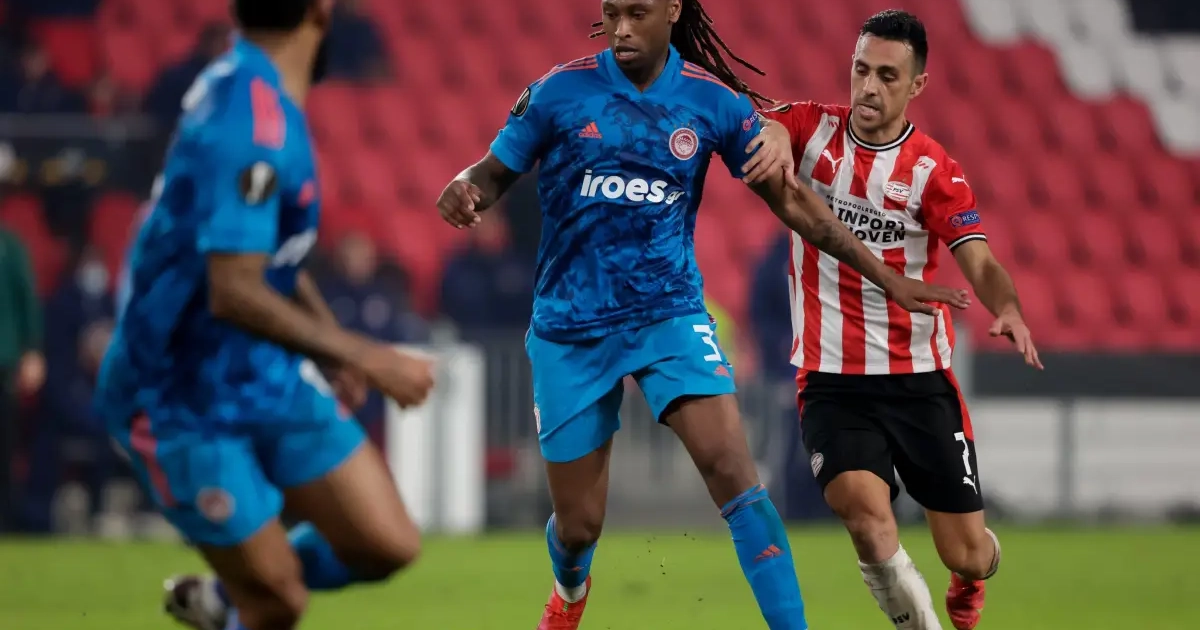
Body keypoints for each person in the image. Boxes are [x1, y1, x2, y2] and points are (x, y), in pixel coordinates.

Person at [435, 1, 969, 628]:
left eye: (637, 13)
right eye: (612, 13)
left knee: (734, 473)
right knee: (579, 528)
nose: (622, 28)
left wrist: (886, 276)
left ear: (672, 10)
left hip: (669, 314)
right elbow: (491, 172)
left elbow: (794, 203)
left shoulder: (710, 101)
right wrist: (464, 188)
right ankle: (569, 593)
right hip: (571, 324)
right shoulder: (559, 91)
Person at [93, 2, 435, 630]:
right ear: (320, 11)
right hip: (179, 393)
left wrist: (330, 348)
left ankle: (227, 598)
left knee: (386, 542)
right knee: (278, 601)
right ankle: (247, 599)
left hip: (259, 371)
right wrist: (365, 355)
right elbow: (233, 290)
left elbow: (263, 250)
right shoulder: (250, 121)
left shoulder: (247, 89)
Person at [761, 10, 1043, 630]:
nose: (868, 87)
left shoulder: (931, 171)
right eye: (861, 69)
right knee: (866, 518)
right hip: (832, 379)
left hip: (918, 380)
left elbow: (979, 259)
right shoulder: (811, 129)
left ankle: (972, 575)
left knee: (965, 552)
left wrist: (1008, 307)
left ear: (917, 85)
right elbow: (766, 126)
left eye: (887, 76)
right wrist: (774, 137)